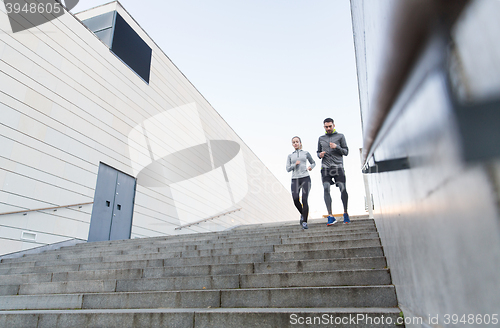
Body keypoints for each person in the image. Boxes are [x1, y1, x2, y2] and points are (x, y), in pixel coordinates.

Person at [317, 118, 350, 225]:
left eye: (330, 126)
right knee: (326, 188)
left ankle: (345, 213)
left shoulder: (340, 136)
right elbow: (318, 152)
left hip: (338, 167)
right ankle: (330, 216)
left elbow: (346, 152)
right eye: (326, 127)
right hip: (325, 168)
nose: (328, 128)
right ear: (324, 127)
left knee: (342, 188)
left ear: (334, 125)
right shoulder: (321, 138)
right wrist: (319, 155)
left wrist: (337, 147)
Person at [286, 136, 316, 229]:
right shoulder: (290, 156)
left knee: (304, 199)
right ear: (292, 144)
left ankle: (305, 222)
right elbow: (287, 169)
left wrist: (311, 167)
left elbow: (313, 162)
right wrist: (295, 164)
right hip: (295, 179)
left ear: (300, 143)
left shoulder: (306, 153)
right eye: (293, 142)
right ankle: (303, 214)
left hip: (305, 178)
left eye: (297, 142)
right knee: (295, 199)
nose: (295, 143)